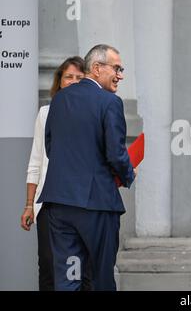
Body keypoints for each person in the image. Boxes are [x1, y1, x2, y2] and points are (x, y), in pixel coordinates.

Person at [37, 44, 135, 290]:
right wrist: (128, 173)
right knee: (100, 277)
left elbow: (52, 148)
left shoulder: (59, 100)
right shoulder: (110, 102)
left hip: (59, 204)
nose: (120, 75)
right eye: (117, 68)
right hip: (97, 204)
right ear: (96, 68)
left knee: (68, 279)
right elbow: (116, 153)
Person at [20, 56, 86, 291]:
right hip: (47, 204)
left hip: (80, 204)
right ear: (59, 81)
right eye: (69, 77)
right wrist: (29, 205)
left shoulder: (93, 113)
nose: (74, 81)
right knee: (48, 266)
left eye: (80, 77)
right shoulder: (46, 113)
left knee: (81, 268)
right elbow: (36, 161)